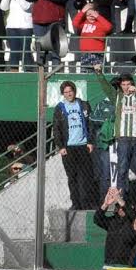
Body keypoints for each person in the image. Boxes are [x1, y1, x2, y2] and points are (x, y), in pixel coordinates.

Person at [95, 64, 136, 208]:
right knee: (122, 171)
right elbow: (106, 87)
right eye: (123, 84)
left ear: (132, 84)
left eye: (128, 84)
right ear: (120, 86)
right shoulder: (117, 96)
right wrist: (99, 73)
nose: (126, 87)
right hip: (123, 138)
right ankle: (122, 203)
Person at [53, 81, 96, 211]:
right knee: (72, 177)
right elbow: (57, 129)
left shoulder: (83, 105)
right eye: (65, 92)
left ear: (74, 91)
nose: (68, 94)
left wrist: (90, 142)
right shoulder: (60, 108)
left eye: (70, 91)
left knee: (86, 176)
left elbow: (91, 124)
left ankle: (86, 203)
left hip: (83, 146)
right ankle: (76, 203)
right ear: (63, 94)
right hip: (68, 148)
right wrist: (60, 146)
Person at [94, 187, 136, 268]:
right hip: (109, 263)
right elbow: (97, 219)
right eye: (117, 206)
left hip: (125, 265)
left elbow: (134, 217)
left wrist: (119, 199)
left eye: (121, 206)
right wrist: (106, 204)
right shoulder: (113, 221)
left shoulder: (134, 222)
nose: (120, 209)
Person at [1, 0, 34, 70]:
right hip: (12, 27)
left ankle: (28, 71)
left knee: (26, 51)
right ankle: (13, 71)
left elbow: (26, 6)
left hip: (25, 27)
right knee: (14, 51)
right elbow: (3, 7)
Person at [71, 3, 112, 67]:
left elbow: (109, 27)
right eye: (88, 14)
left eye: (92, 14)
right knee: (86, 73)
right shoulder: (84, 23)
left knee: (98, 73)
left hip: (97, 53)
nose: (90, 16)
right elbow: (75, 23)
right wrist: (83, 11)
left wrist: (97, 16)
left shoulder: (100, 23)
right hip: (85, 54)